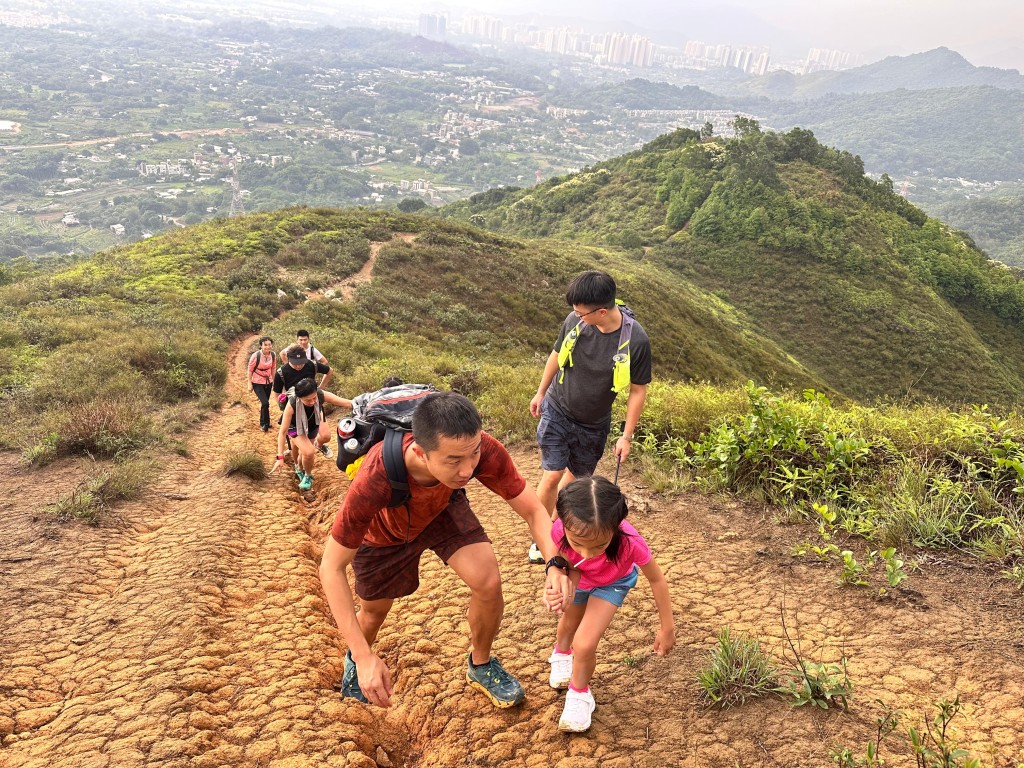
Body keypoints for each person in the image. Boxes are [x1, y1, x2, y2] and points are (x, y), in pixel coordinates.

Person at [318, 391, 575, 709]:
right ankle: (356, 662)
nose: (468, 469)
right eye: (454, 460)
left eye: (474, 454)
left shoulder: (478, 450)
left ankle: (480, 665)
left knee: (488, 583)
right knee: (373, 613)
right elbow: (330, 567)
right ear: (420, 452)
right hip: (384, 533)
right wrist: (363, 654)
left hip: (442, 510)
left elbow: (535, 510)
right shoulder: (375, 477)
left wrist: (555, 563)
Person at [527, 270, 652, 563]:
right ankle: (542, 539)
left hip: (594, 423)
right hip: (558, 409)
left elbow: (637, 391)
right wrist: (540, 392)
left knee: (573, 484)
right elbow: (556, 355)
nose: (575, 315)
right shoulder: (575, 322)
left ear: (603, 311)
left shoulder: (635, 340)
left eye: (582, 312)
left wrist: (626, 437)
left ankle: (562, 529)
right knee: (553, 474)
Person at [543, 475, 674, 733]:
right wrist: (557, 579)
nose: (587, 553)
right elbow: (557, 553)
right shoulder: (560, 528)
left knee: (586, 642)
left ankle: (579, 695)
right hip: (579, 577)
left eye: (599, 545)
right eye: (577, 543)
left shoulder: (630, 543)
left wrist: (667, 627)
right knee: (568, 623)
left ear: (616, 526)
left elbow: (657, 580)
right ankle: (561, 653)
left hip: (613, 582)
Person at [272, 378, 352, 491]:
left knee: (304, 453)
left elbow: (343, 401)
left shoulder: (319, 394)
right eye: (307, 400)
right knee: (309, 451)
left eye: (314, 398)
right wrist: (280, 457)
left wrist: (363, 405)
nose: (312, 402)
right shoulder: (292, 404)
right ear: (299, 398)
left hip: (312, 424)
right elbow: (282, 432)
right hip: (294, 427)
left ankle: (299, 469)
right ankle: (308, 475)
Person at [273, 346, 333, 454]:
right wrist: (285, 408)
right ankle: (297, 461)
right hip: (295, 407)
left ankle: (317, 445)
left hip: (313, 404)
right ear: (288, 359)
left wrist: (320, 388)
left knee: (325, 435)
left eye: (301, 362)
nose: (299, 366)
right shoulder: (281, 372)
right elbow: (276, 393)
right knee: (298, 439)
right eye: (296, 363)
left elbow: (329, 371)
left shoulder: (311, 365)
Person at [247, 336, 276, 432]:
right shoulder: (256, 356)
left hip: (268, 382)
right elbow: (250, 370)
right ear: (261, 346)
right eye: (265, 345)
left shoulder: (273, 355)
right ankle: (265, 424)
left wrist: (273, 380)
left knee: (265, 404)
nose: (268, 347)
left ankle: (265, 421)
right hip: (257, 382)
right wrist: (249, 384)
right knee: (265, 403)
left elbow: (273, 368)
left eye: (269, 344)